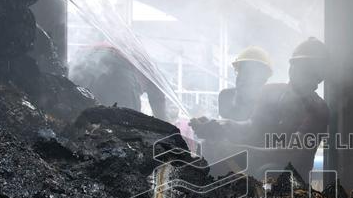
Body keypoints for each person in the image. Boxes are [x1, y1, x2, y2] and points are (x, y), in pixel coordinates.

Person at [192, 37, 329, 180]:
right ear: (291, 66)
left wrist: (235, 150)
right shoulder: (270, 91)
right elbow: (252, 126)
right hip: (253, 169)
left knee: (269, 170)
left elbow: (291, 154)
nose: (304, 73)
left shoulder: (318, 110)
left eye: (310, 69)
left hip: (287, 180)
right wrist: (220, 126)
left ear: (319, 76)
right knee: (208, 147)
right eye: (301, 67)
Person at [68, 44, 170, 121]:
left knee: (75, 115)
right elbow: (158, 104)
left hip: (82, 60)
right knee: (127, 122)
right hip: (118, 67)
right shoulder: (153, 70)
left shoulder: (131, 50)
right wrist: (170, 136)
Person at [218, 46, 274, 120]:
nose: (242, 77)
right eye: (240, 71)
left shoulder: (270, 104)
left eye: (249, 72)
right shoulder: (227, 96)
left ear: (263, 78)